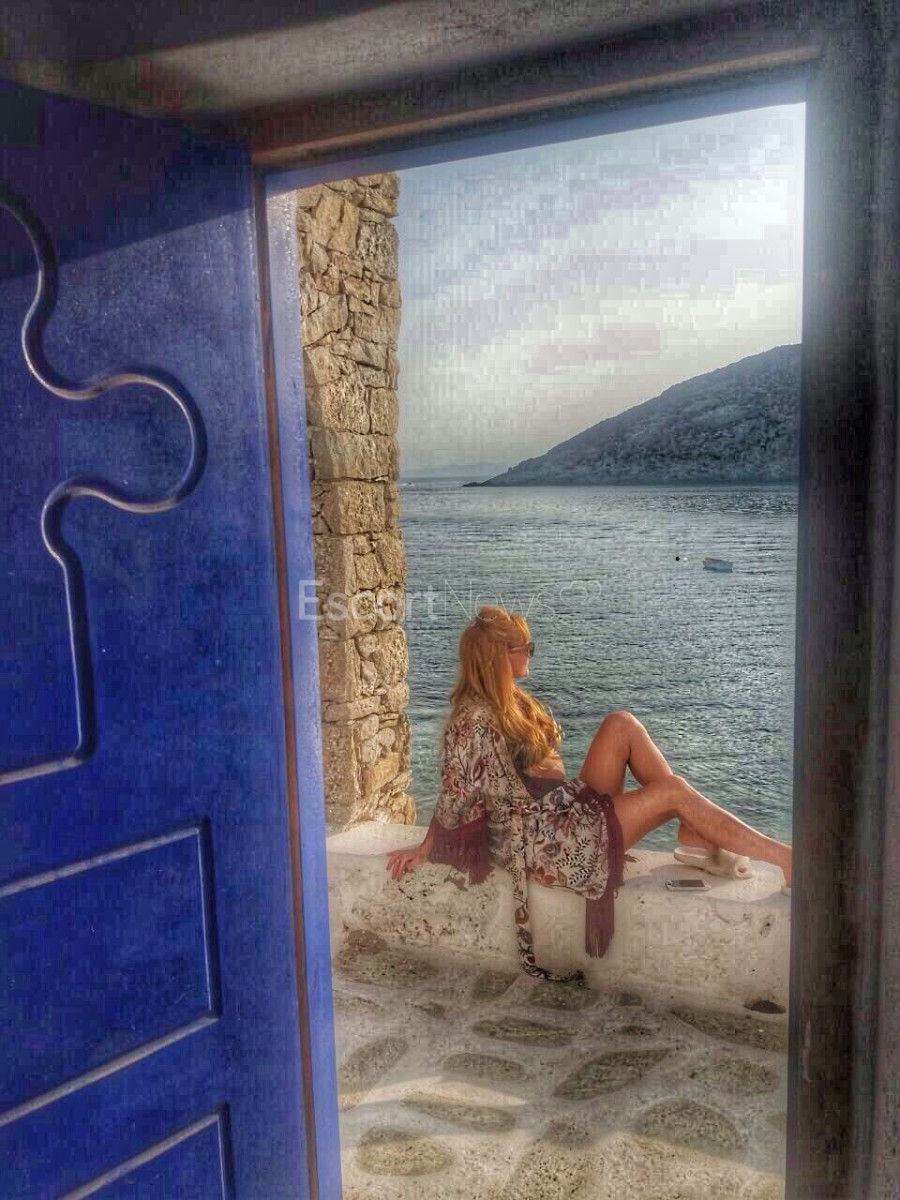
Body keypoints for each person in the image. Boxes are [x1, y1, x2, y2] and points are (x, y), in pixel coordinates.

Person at [386, 605, 792, 980]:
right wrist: (426, 846)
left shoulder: (507, 700)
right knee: (673, 791)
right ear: (501, 656)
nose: (531, 652)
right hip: (547, 841)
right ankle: (782, 858)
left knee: (621, 723)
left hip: (557, 810)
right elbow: (456, 793)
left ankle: (695, 831)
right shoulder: (473, 720)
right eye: (526, 646)